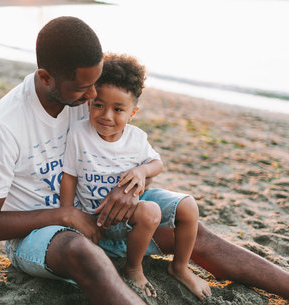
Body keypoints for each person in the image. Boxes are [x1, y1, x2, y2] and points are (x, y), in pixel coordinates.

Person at [0, 15, 289, 305]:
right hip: (39, 238)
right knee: (81, 250)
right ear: (46, 77)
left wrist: (136, 182)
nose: (94, 97)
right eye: (85, 88)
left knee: (190, 231)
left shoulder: (83, 100)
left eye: (96, 84)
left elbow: (119, 149)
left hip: (100, 216)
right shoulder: (2, 127)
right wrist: (65, 215)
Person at [60, 53, 211, 300]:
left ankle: (180, 267)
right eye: (99, 105)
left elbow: (157, 163)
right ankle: (133, 268)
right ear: (90, 103)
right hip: (97, 217)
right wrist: (67, 215)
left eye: (118, 109)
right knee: (150, 211)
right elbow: (69, 177)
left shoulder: (136, 138)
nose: (107, 116)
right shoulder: (79, 134)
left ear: (133, 112)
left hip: (131, 210)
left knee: (188, 205)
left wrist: (141, 171)